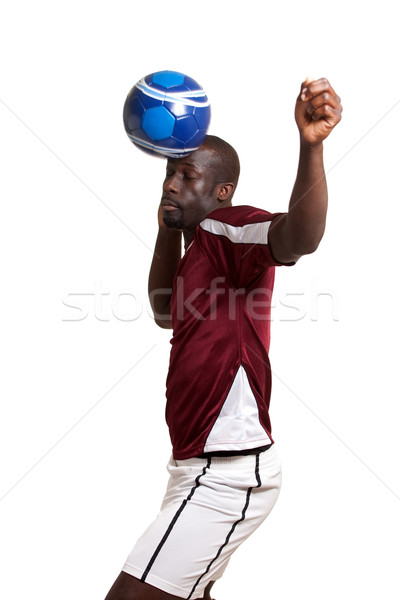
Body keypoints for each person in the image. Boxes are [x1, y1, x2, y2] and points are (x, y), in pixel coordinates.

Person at [105, 77, 342, 600]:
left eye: (186, 176)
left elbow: (300, 237)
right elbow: (164, 310)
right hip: (191, 464)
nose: (171, 184)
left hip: (228, 472)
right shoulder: (195, 251)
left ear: (221, 192)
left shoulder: (228, 230)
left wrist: (311, 147)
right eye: (169, 173)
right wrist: (168, 226)